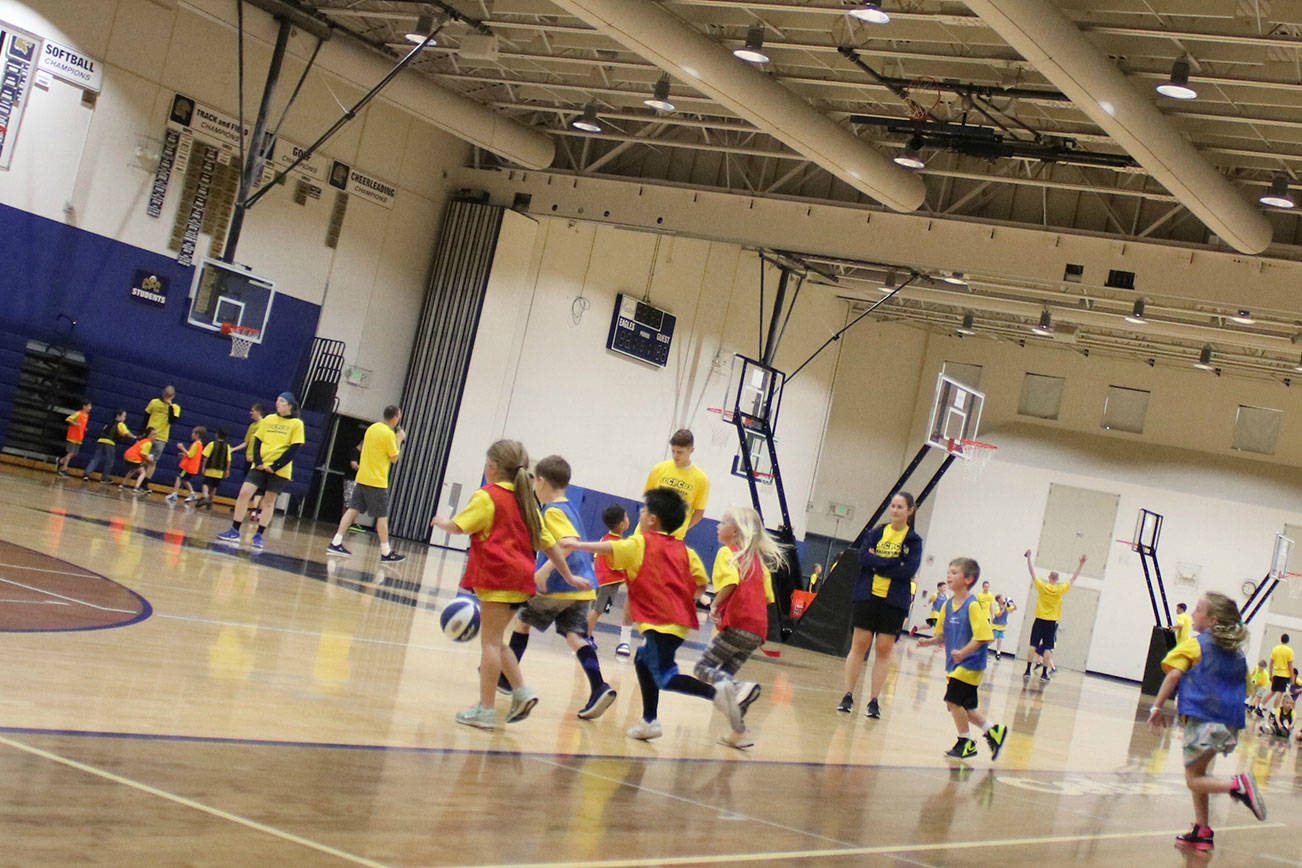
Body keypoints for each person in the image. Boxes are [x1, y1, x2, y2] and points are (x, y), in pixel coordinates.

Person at [430, 440, 585, 730]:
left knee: (488, 643)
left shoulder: (488, 497)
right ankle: (523, 692)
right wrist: (568, 576)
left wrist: (442, 522)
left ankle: (485, 710)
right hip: (519, 581)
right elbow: (550, 545)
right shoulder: (526, 500)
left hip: (496, 578)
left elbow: (460, 526)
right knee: (498, 641)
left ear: (492, 466)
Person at [569, 487, 743, 742]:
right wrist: (686, 601)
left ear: (652, 519)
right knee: (642, 660)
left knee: (664, 676)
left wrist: (578, 544)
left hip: (660, 624)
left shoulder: (640, 543)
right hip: (677, 625)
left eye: (643, 510)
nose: (639, 513)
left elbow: (607, 548)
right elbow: (701, 581)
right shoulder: (686, 550)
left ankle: (716, 694)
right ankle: (649, 720)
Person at [1148, 592, 1266, 850]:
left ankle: (1237, 785)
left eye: (1198, 610)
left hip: (1203, 721)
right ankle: (1202, 830)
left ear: (1212, 620)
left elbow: (1172, 676)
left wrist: (1156, 707)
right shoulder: (1237, 655)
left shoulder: (1196, 645)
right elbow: (1246, 688)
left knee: (1193, 779)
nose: (1193, 614)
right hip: (1229, 723)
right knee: (1199, 774)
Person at [502, 455, 616, 720]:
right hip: (583, 587)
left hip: (559, 585)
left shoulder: (552, 510)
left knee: (521, 623)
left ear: (541, 481)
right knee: (576, 637)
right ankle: (599, 686)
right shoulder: (570, 507)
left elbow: (567, 542)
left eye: (534, 481)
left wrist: (543, 570)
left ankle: (507, 679)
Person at [696, 505, 782, 749]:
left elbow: (731, 582)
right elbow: (766, 597)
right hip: (757, 631)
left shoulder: (728, 553)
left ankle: (740, 688)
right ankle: (739, 732)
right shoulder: (758, 562)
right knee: (726, 684)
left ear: (735, 532)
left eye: (722, 523)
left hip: (738, 626)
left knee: (703, 668)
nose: (717, 526)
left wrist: (714, 606)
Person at [837, 491, 923, 718]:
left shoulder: (913, 541)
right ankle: (848, 695)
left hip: (893, 601)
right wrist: (892, 562)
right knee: (859, 645)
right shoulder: (875, 533)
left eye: (900, 507)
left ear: (909, 510)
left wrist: (879, 564)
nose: (895, 510)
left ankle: (874, 700)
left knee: (883, 649)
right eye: (893, 506)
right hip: (867, 596)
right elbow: (864, 557)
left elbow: (909, 569)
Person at [918, 557, 1008, 760]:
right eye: (948, 571)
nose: (949, 576)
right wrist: (929, 642)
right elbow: (942, 635)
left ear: (969, 579)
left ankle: (965, 742)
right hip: (956, 664)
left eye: (954, 572)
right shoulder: (947, 605)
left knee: (952, 700)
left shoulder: (973, 605)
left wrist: (963, 653)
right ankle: (993, 730)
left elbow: (985, 636)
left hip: (971, 663)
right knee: (962, 707)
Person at [215, 393, 304, 550]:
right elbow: (257, 441)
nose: (278, 403)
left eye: (282, 401)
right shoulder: (268, 419)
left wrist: (275, 466)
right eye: (277, 400)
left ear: (289, 405)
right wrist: (259, 462)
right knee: (244, 493)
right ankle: (235, 530)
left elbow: (294, 448)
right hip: (260, 466)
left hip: (280, 469)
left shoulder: (297, 423)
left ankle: (259, 534)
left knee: (269, 502)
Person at [326, 405, 407, 563]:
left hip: (362, 476)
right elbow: (394, 458)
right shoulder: (389, 435)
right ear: (396, 417)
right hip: (376, 481)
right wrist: (399, 439)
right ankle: (385, 551)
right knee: (381, 516)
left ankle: (336, 542)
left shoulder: (372, 429)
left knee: (352, 510)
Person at [1022, 549, 1086, 682]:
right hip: (1051, 623)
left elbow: (1032, 573)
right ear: (1057, 579)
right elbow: (1073, 578)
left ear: (1049, 577)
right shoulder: (1060, 589)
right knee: (1048, 648)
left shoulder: (1042, 586)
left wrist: (1029, 558)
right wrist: (1081, 564)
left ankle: (1027, 670)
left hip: (1039, 620)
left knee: (1033, 645)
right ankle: (1044, 674)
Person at [643, 428, 709, 538]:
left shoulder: (701, 479)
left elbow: (698, 513)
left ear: (691, 450)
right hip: (648, 533)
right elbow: (648, 499)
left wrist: (681, 528)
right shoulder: (659, 469)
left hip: (673, 537)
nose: (675, 455)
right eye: (673, 451)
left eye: (680, 452)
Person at [587, 503, 634, 657]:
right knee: (597, 610)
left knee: (595, 609)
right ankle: (584, 638)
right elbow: (618, 565)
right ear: (622, 524)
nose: (628, 519)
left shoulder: (605, 538)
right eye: (626, 517)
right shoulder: (618, 543)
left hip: (599, 579)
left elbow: (597, 557)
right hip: (608, 583)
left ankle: (586, 635)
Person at [231, 403, 265, 521]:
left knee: (258, 487)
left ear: (258, 412)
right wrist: (233, 449)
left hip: (257, 461)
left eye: (252, 411)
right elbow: (246, 442)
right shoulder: (252, 426)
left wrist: (258, 458)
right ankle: (247, 508)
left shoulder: (265, 424)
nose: (250, 413)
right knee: (248, 486)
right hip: (248, 460)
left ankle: (257, 511)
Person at [82, 409, 133, 484]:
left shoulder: (109, 422)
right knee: (110, 461)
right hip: (110, 442)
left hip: (100, 440)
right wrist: (135, 437)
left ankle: (87, 474)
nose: (124, 418)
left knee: (96, 458)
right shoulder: (120, 424)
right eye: (124, 416)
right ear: (118, 416)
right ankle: (104, 478)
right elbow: (126, 433)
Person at [166, 426, 206, 504]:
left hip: (187, 467)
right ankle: (192, 494)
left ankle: (175, 494)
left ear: (197, 434)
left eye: (193, 433)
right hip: (192, 466)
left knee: (179, 478)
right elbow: (193, 456)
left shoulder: (195, 444)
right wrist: (184, 455)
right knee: (184, 480)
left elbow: (190, 455)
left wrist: (182, 448)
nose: (192, 434)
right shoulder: (200, 445)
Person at [56, 400, 91, 477]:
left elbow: (82, 424)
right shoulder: (78, 413)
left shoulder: (87, 416)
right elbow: (68, 419)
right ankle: (64, 469)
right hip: (73, 436)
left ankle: (61, 460)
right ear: (84, 406)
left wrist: (84, 428)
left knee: (74, 454)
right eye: (89, 406)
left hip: (79, 437)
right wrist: (75, 423)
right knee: (70, 453)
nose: (90, 408)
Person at [199, 429, 232, 509]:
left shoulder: (212, 444)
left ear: (217, 435)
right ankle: (210, 501)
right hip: (220, 471)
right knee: (214, 486)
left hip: (210, 468)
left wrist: (203, 467)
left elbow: (206, 457)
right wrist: (227, 470)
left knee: (206, 484)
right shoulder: (227, 446)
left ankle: (206, 497)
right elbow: (228, 460)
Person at [1266, 633, 1294, 713]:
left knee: (1272, 691)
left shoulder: (1275, 649)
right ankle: (1274, 710)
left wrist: (1270, 674)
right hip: (1284, 675)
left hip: (1276, 673)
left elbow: (1271, 662)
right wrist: (1292, 678)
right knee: (1281, 692)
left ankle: (1261, 705)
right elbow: (1290, 665)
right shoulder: (1289, 651)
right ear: (1288, 640)